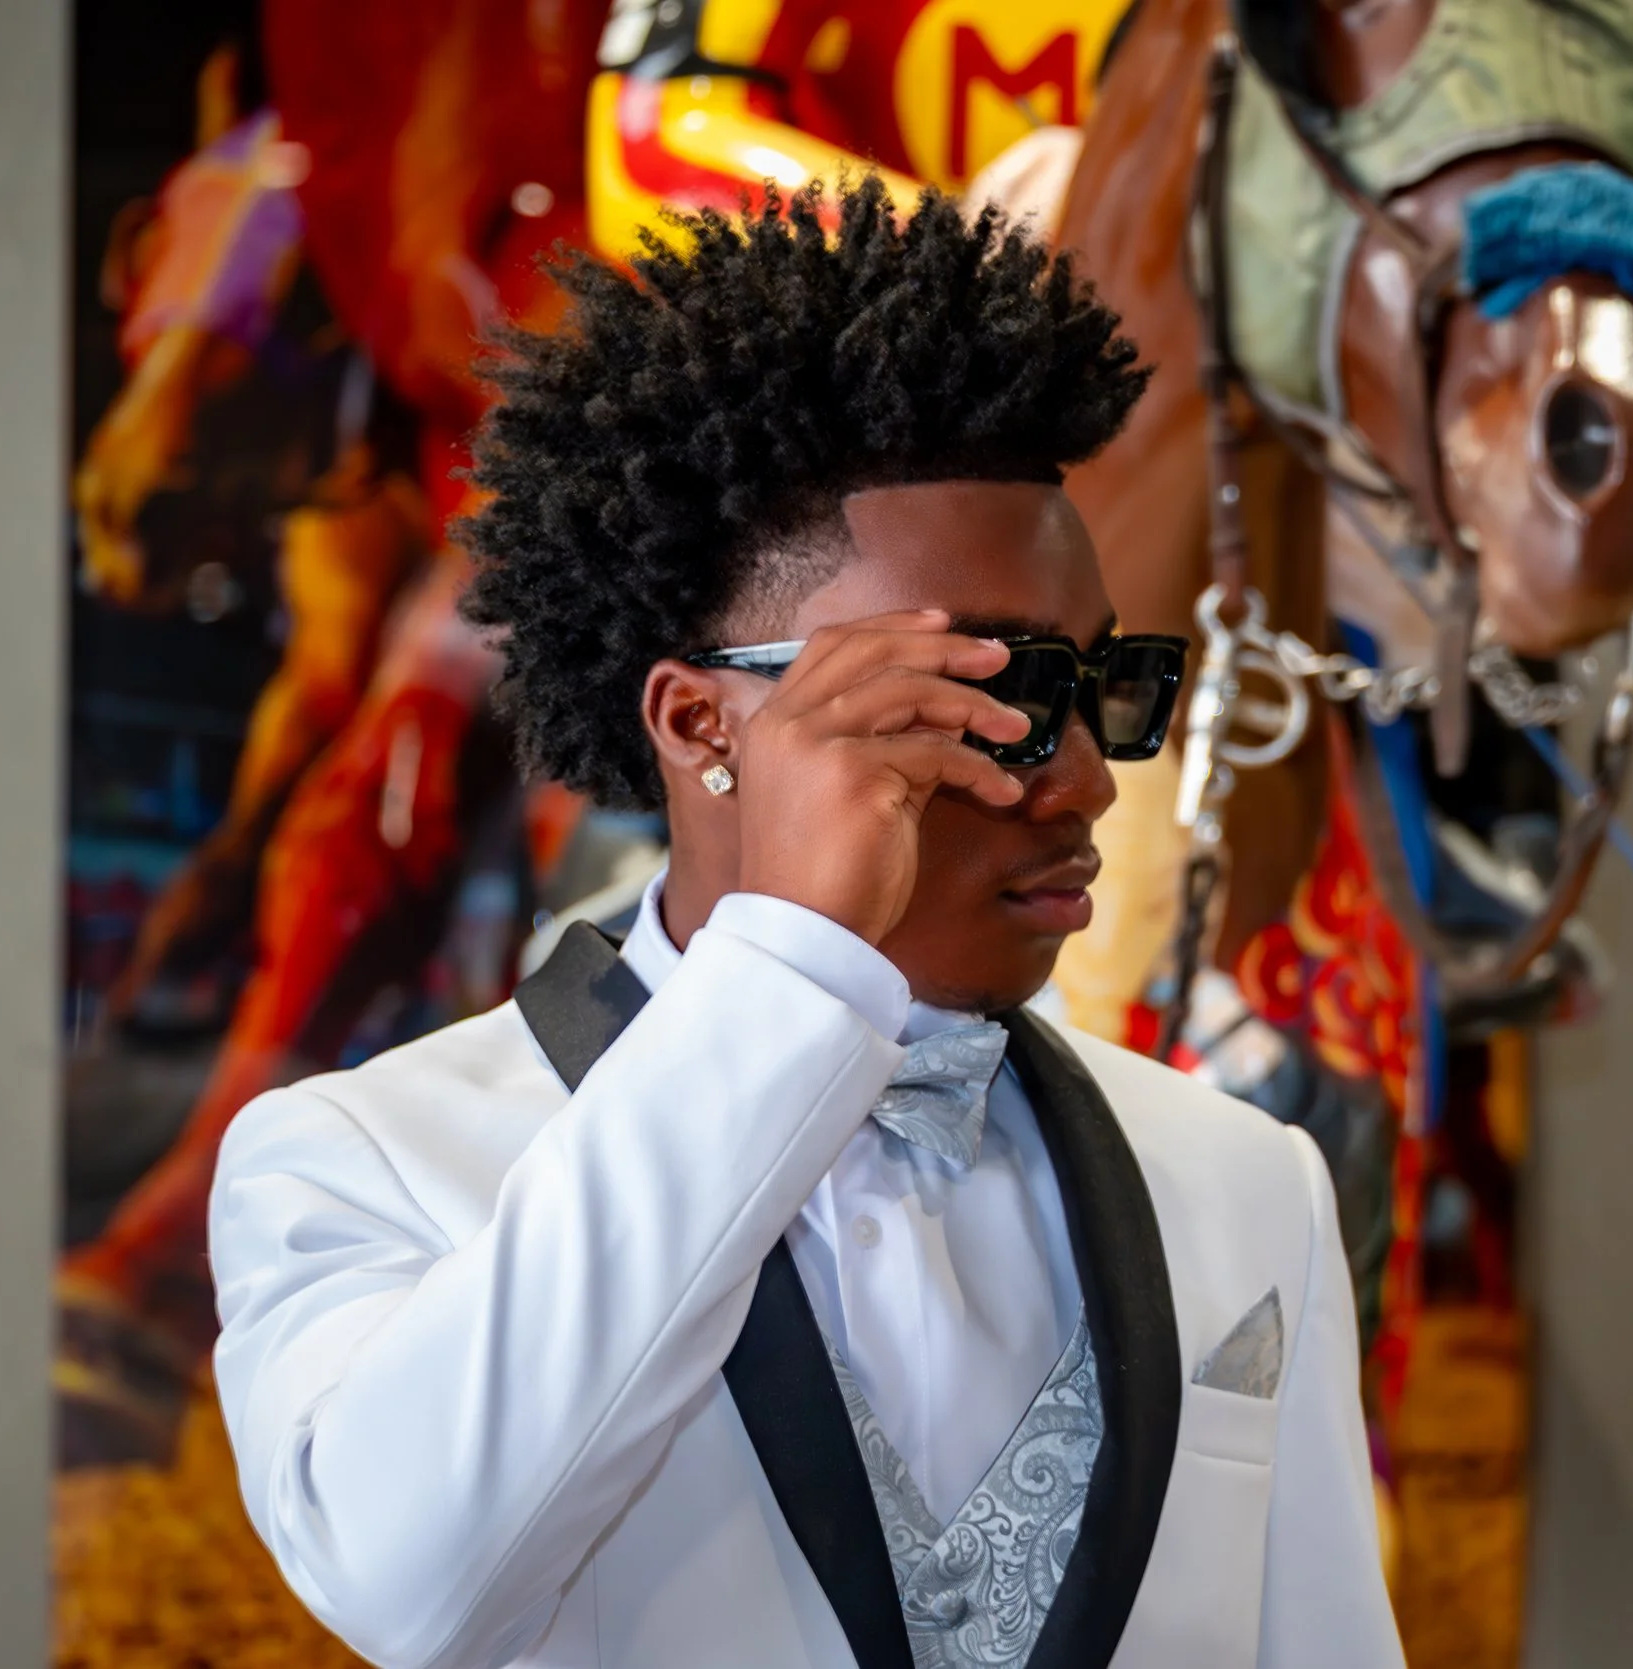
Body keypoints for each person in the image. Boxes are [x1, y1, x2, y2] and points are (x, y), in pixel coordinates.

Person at [207, 179, 1402, 1669]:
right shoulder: (367, 1163)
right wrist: (789, 965)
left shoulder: (1245, 1178)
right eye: (994, 694)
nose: (1087, 777)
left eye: (1103, 686)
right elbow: (416, 1586)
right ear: (704, 722)